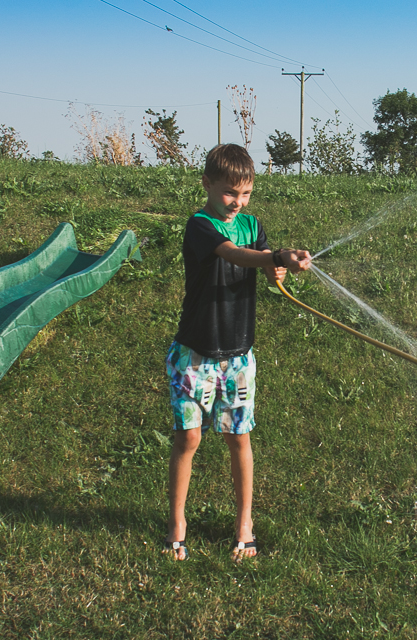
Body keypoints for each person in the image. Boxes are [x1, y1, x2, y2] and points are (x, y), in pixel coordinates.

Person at [163, 143, 311, 562]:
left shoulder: (252, 224)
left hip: (238, 358)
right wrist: (272, 256)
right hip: (194, 354)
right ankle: (178, 523)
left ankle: (244, 525)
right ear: (207, 184)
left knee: (238, 438)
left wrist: (280, 266)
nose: (237, 202)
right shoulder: (200, 225)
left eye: (245, 194)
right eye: (230, 192)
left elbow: (263, 270)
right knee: (187, 438)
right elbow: (232, 254)